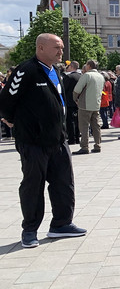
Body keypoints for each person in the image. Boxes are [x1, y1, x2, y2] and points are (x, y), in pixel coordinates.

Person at [0, 33, 87, 248]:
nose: (61, 52)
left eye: (61, 47)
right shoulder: (26, 70)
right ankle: (29, 230)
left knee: (63, 183)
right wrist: (11, 121)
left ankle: (61, 224)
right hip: (33, 141)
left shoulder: (56, 70)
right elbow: (6, 101)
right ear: (41, 48)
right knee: (33, 184)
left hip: (58, 140)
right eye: (57, 47)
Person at [72, 60, 105, 155]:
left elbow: (77, 89)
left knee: (84, 126)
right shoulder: (100, 76)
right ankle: (97, 145)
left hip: (85, 104)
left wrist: (75, 99)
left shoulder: (87, 75)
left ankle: (84, 146)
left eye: (86, 64)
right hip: (96, 104)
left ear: (89, 66)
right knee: (96, 126)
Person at [63, 61, 82, 145]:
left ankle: (72, 138)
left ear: (71, 66)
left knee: (70, 121)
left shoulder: (69, 77)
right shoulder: (80, 76)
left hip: (69, 101)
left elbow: (64, 89)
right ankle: (77, 137)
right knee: (77, 120)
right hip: (79, 101)